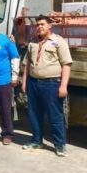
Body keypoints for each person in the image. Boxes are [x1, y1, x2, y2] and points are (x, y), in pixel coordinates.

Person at [22, 15, 73, 157]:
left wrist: (63, 86)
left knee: (55, 115)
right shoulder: (32, 42)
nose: (39, 27)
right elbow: (27, 64)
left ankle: (60, 144)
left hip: (51, 83)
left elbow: (66, 64)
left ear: (50, 25)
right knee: (34, 113)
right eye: (37, 25)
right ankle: (37, 140)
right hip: (33, 82)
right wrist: (25, 82)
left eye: (42, 24)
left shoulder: (58, 41)